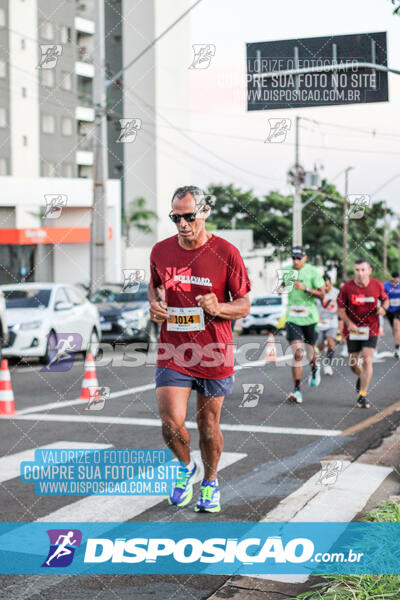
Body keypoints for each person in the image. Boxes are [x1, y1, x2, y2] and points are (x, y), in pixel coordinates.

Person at [148, 186, 251, 513]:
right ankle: (184, 468)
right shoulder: (161, 252)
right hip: (174, 351)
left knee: (208, 427)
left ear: (204, 212)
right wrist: (154, 304)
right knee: (171, 422)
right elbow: (154, 285)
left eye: (189, 216)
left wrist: (218, 307)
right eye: (175, 217)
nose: (182, 223)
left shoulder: (227, 252)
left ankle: (210, 480)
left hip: (213, 352)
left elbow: (245, 305)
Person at [337, 259, 388, 409]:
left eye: (363, 270)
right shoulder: (347, 288)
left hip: (371, 328)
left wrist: (383, 309)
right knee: (353, 364)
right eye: (357, 270)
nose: (360, 273)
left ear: (369, 271)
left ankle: (362, 395)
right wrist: (348, 323)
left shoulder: (377, 285)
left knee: (367, 359)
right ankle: (361, 376)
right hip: (353, 329)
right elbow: (340, 310)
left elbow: (385, 301)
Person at [280, 246, 325, 404]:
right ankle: (297, 389)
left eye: (299, 258)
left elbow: (322, 294)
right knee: (297, 353)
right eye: (293, 258)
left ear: (305, 258)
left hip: (310, 318)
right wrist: (284, 286)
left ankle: (314, 368)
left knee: (310, 351)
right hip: (293, 317)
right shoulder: (286, 270)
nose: (296, 261)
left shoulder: (314, 272)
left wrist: (306, 288)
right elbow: (280, 290)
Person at [316, 273, 339, 376]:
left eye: (327, 285)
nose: (326, 288)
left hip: (332, 321)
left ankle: (328, 364)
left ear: (331, 283)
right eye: (324, 286)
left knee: (331, 342)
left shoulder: (337, 293)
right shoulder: (317, 293)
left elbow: (342, 308)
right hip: (320, 322)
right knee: (319, 346)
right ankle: (318, 361)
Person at [383, 271, 400, 358]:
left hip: (398, 309)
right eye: (392, 281)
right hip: (389, 310)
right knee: (394, 330)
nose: (394, 284)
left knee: (397, 328)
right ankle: (398, 343)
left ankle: (397, 350)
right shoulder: (385, 286)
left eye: (396, 282)